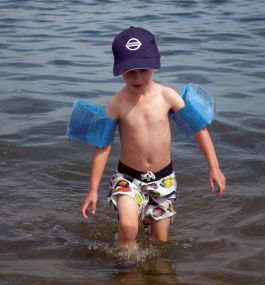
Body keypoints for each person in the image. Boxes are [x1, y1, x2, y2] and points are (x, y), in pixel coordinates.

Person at [81, 26, 226, 250]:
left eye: (143, 70)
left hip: (163, 180)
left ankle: (156, 279)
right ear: (120, 71)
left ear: (155, 64)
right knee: (129, 227)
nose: (137, 77)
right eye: (130, 72)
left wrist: (214, 166)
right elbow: (103, 146)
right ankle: (127, 269)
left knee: (160, 240)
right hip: (128, 178)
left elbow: (199, 129)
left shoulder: (168, 96)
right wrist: (92, 189)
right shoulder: (117, 103)